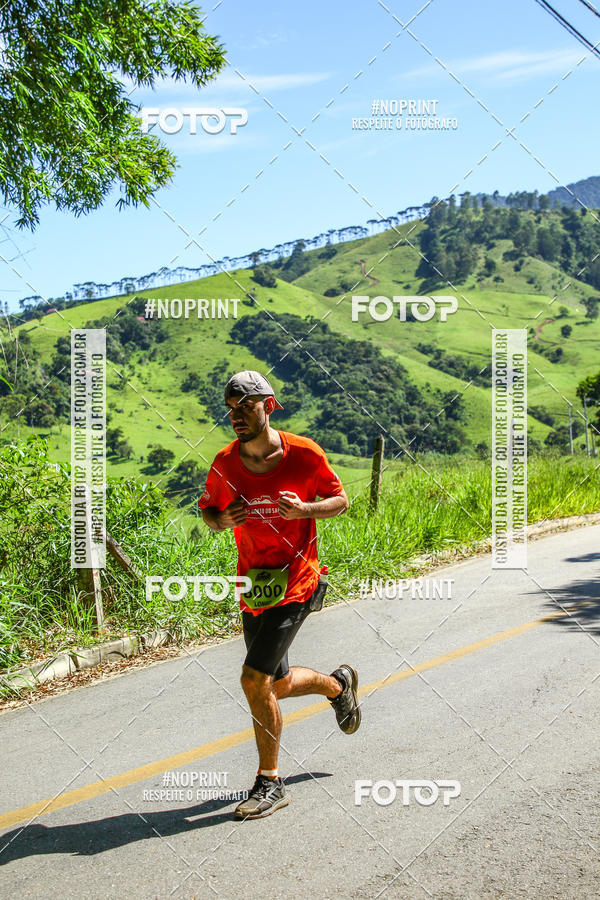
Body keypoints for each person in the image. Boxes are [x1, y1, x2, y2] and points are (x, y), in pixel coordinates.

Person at [199, 370, 361, 820]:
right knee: (276, 683)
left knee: (253, 680)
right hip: (254, 587)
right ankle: (338, 686)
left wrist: (305, 509)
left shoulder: (305, 454)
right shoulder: (225, 463)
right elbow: (210, 514)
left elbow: (340, 500)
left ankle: (270, 783)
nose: (236, 416)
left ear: (268, 405)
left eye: (245, 406)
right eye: (231, 408)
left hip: (299, 581)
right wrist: (224, 521)